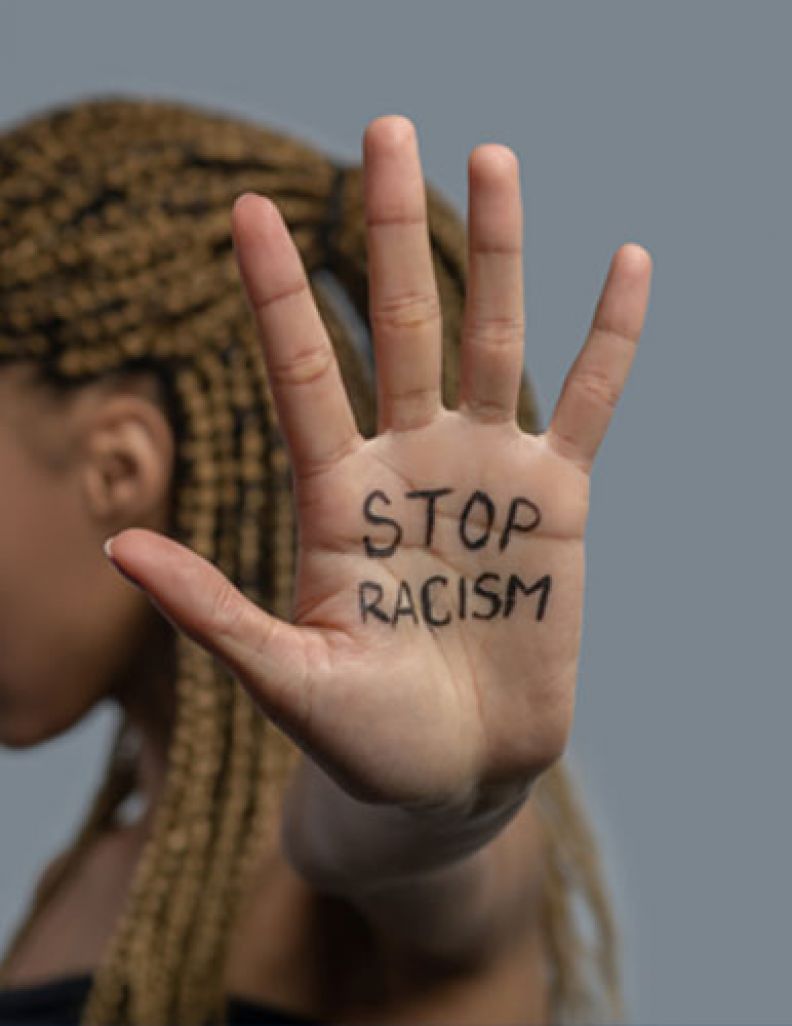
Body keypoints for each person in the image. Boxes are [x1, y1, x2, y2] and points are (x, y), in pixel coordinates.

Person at [0, 95, 652, 1025]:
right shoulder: (88, 877)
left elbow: (407, 852)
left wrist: (452, 804)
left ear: (120, 468)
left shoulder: (356, 872)